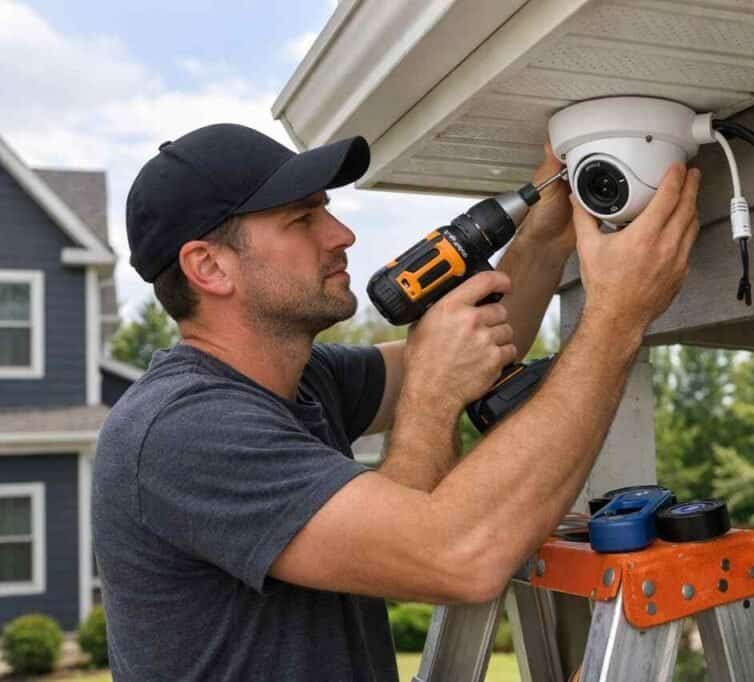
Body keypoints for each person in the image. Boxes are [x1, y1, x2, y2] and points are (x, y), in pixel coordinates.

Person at [93, 123, 701, 681]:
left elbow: (475, 343)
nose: (342, 234)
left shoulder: (304, 381)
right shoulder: (182, 431)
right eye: (303, 220)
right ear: (209, 266)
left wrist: (541, 241)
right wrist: (619, 316)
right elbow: (452, 554)